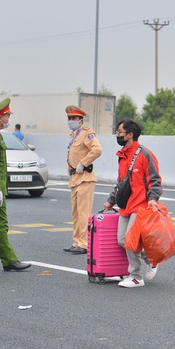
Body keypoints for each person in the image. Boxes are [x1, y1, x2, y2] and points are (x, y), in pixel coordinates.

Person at [103, 119, 162, 288]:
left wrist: (153, 198)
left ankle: (136, 276)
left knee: (130, 239)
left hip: (141, 205)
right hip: (125, 205)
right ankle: (151, 258)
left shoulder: (145, 154)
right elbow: (121, 183)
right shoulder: (122, 155)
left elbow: (155, 180)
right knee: (122, 240)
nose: (117, 135)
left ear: (130, 134)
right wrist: (111, 200)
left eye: (120, 132)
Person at [0, 98, 31, 272]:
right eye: (7, 115)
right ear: (0, 117)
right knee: (0, 224)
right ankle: (9, 260)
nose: (8, 118)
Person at [64, 105, 102, 254]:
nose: (71, 121)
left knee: (84, 213)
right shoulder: (73, 135)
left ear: (81, 120)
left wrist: (83, 163)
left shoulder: (87, 133)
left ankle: (84, 244)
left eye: (73, 118)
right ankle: (76, 242)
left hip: (85, 178)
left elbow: (97, 150)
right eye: (69, 118)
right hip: (75, 178)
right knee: (75, 214)